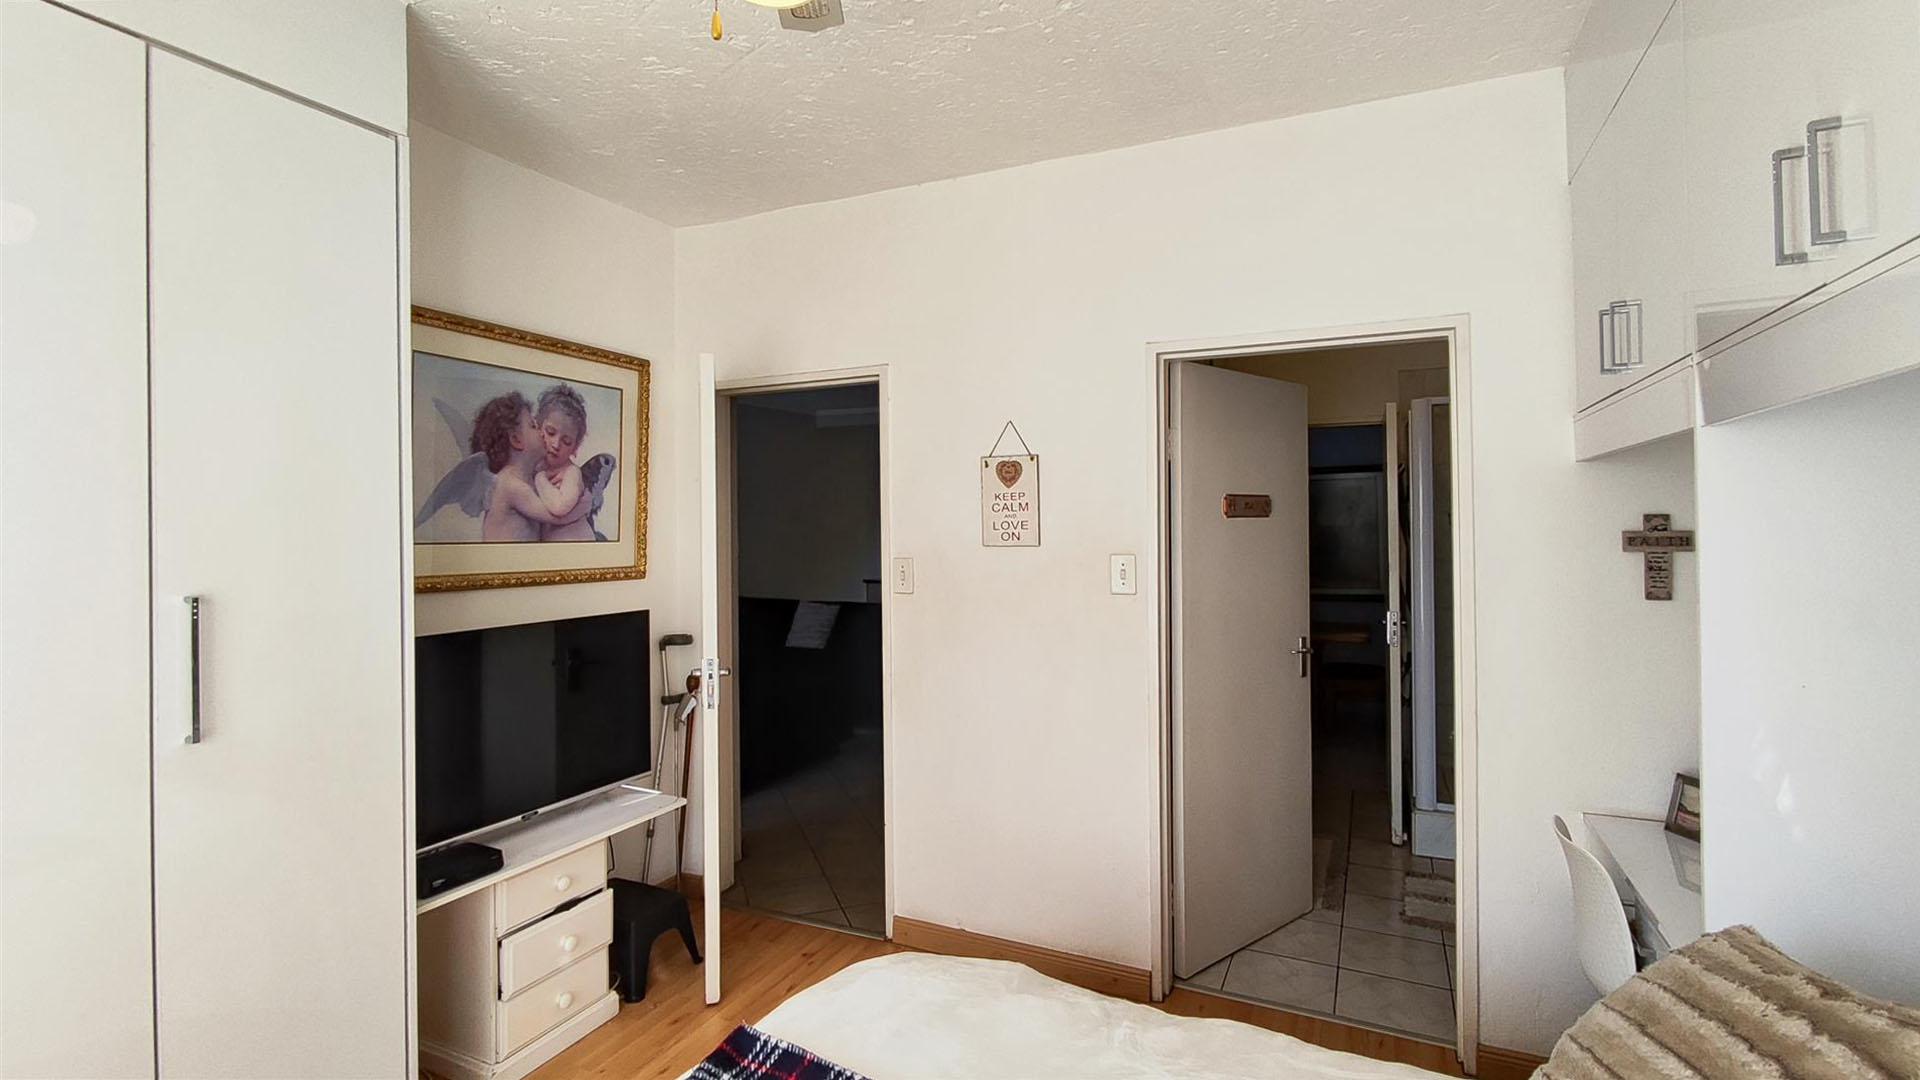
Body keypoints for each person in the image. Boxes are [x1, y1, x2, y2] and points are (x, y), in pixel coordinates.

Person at [468, 391, 592, 541]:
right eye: (534, 426)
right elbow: (556, 517)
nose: (543, 436)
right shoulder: (511, 484)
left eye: (566, 442)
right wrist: (585, 505)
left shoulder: (530, 476)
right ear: (516, 439)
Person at [530, 384, 597, 541]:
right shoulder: (534, 465)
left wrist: (540, 478)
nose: (556, 444)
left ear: (575, 447)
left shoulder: (572, 473)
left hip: (577, 545)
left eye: (566, 441)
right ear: (537, 426)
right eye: (550, 432)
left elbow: (559, 507)